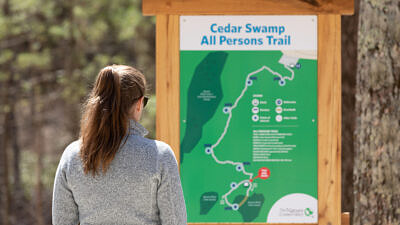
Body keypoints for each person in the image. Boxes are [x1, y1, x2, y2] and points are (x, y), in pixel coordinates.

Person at [52, 65, 187, 225]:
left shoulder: (72, 156)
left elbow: (62, 221)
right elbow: (175, 221)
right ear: (138, 104)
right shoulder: (160, 155)